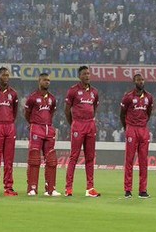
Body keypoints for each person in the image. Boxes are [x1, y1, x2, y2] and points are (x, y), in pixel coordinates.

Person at [64, 65, 100, 197]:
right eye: (84, 74)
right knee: (74, 156)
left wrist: (89, 119)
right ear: (79, 76)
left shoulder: (94, 92)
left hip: (90, 124)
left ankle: (90, 188)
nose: (87, 76)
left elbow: (94, 108)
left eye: (88, 74)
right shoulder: (73, 90)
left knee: (90, 157)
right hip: (78, 125)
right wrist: (73, 124)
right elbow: (67, 110)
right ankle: (68, 188)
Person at [24, 73, 61, 197]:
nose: (47, 82)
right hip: (36, 128)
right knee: (34, 159)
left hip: (48, 129)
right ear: (39, 81)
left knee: (51, 160)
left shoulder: (52, 98)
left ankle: (50, 189)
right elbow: (27, 114)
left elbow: (52, 112)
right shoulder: (32, 97)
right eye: (45, 80)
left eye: (49, 80)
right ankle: (32, 188)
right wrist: (34, 123)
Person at [119, 73, 153, 199]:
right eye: (139, 80)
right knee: (129, 160)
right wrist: (127, 127)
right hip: (131, 129)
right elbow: (122, 115)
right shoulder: (128, 97)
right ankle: (128, 190)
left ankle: (142, 190)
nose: (141, 81)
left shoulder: (149, 97)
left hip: (143, 129)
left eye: (142, 79)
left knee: (143, 161)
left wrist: (142, 124)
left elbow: (148, 113)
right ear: (134, 81)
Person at [0, 67, 18, 196]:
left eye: (8, 75)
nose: (6, 77)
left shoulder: (14, 93)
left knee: (9, 159)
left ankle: (8, 188)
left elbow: (15, 112)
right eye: (4, 75)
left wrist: (9, 121)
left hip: (10, 126)